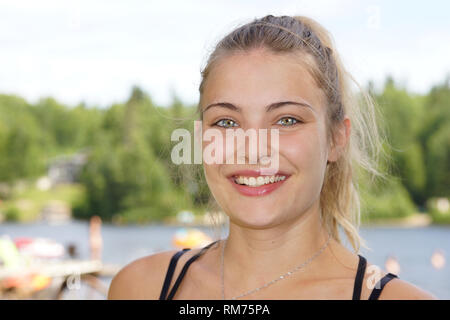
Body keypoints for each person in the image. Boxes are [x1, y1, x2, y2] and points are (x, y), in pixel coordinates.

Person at [108, 14, 436, 300]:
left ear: (336, 139)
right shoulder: (139, 289)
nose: (253, 148)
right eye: (227, 122)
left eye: (286, 120)